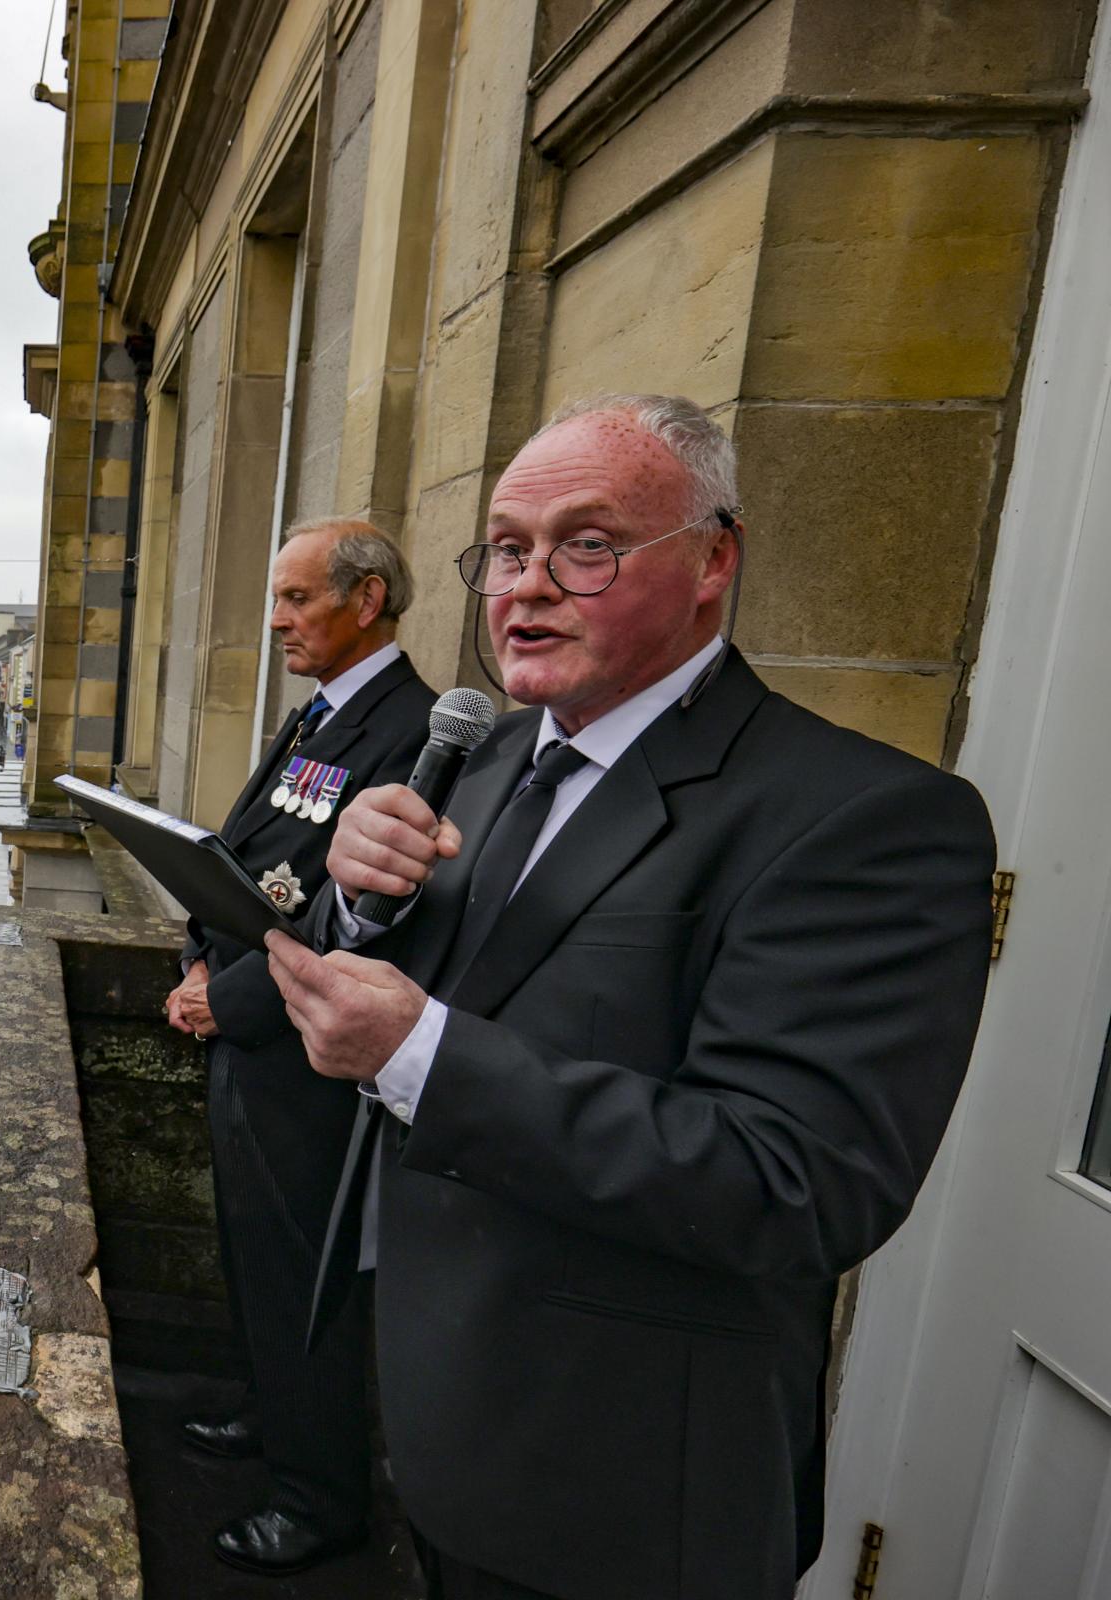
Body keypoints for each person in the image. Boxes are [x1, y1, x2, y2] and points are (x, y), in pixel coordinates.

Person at [270, 394, 996, 1600]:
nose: (527, 586)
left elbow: (795, 1180)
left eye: (587, 545)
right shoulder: (494, 753)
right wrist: (365, 906)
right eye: (506, 549)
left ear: (714, 560)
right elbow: (456, 987)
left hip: (615, 1495)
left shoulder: (865, 818)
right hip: (435, 1417)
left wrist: (421, 1055)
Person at [150, 517, 436, 1577]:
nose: (275, 621)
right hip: (242, 1024)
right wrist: (195, 961)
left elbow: (359, 912)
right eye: (274, 599)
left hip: (305, 1055)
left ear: (367, 601)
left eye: (297, 600)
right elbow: (241, 853)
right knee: (250, 1254)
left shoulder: (411, 731)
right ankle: (268, 1416)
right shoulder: (317, 718)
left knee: (302, 1273)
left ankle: (319, 1497)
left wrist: (232, 1000)